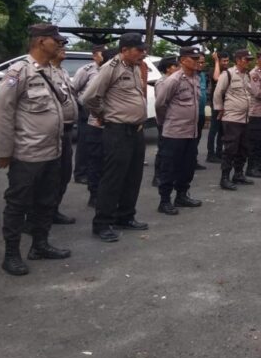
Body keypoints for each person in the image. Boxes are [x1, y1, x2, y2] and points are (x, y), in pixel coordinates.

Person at [0, 23, 72, 275]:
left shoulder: (50, 70)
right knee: (17, 204)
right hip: (27, 153)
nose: (59, 44)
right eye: (55, 40)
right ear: (40, 41)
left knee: (46, 201)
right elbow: (2, 112)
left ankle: (40, 245)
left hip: (52, 150)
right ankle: (11, 254)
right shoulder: (19, 71)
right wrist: (4, 151)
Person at [82, 32, 149, 243]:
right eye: (139, 49)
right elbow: (89, 97)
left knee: (133, 176)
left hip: (136, 130)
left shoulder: (135, 67)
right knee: (112, 179)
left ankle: (125, 216)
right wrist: (102, 115)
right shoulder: (110, 68)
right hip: (117, 131)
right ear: (124, 50)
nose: (143, 53)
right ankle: (102, 223)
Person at [154, 46, 203, 215]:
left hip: (191, 131)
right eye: (194, 59)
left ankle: (182, 195)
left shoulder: (195, 78)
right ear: (183, 60)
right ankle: (165, 200)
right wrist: (165, 122)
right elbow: (160, 104)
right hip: (174, 132)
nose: (198, 62)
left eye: (198, 59)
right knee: (169, 167)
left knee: (187, 166)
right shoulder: (173, 80)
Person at [82, 47, 119, 208]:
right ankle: (94, 194)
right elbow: (85, 97)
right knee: (95, 162)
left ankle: (108, 195)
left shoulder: (119, 75)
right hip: (97, 126)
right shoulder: (98, 75)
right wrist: (99, 115)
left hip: (115, 127)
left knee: (110, 163)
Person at [214, 49, 254, 190]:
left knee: (243, 148)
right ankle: (224, 178)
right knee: (230, 148)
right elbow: (218, 92)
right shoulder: (228, 74)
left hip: (245, 118)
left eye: (249, 59)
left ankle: (238, 174)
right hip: (232, 118)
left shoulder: (246, 75)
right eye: (246, 59)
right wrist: (220, 109)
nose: (248, 62)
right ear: (238, 60)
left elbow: (249, 93)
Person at [50, 46, 79, 224]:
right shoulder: (43, 72)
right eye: (58, 46)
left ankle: (53, 210)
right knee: (49, 175)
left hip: (67, 130)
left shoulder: (62, 72)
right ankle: (35, 217)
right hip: (52, 132)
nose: (63, 49)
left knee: (64, 173)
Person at [72, 44, 104, 184]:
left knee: (97, 145)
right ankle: (80, 173)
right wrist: (80, 105)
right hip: (86, 110)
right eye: (101, 54)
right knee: (84, 143)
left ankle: (94, 172)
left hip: (101, 112)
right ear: (95, 56)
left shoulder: (108, 70)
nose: (104, 56)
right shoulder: (86, 70)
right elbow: (74, 89)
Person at [151, 56, 180, 187]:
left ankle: (169, 174)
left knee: (172, 149)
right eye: (175, 66)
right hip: (165, 120)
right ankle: (157, 176)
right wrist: (163, 120)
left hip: (175, 120)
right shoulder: (162, 82)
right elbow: (161, 104)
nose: (178, 68)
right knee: (163, 148)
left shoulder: (176, 80)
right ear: (168, 69)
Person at [206, 51, 229, 163]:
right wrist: (215, 61)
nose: (226, 63)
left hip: (225, 105)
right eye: (223, 61)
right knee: (213, 130)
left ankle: (219, 152)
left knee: (222, 131)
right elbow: (216, 78)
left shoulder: (227, 71)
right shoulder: (213, 70)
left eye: (227, 61)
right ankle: (210, 154)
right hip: (216, 105)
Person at [194, 54, 208, 171]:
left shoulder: (202, 75)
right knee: (189, 139)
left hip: (201, 113)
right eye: (198, 62)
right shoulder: (188, 75)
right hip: (190, 115)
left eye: (203, 62)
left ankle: (193, 160)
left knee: (197, 137)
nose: (201, 64)